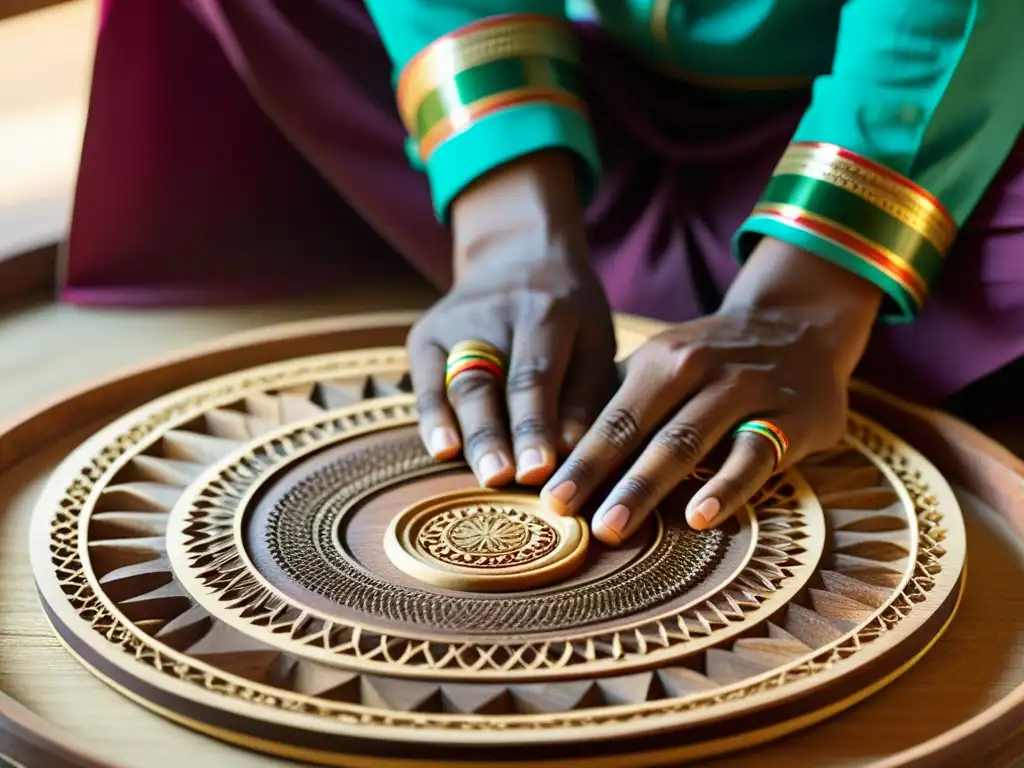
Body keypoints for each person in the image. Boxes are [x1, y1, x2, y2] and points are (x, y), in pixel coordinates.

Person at [67, 1, 1024, 546]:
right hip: (572, 67)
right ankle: (568, 248)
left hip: (930, 110)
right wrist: (508, 222)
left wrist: (810, 295)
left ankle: (734, 300)